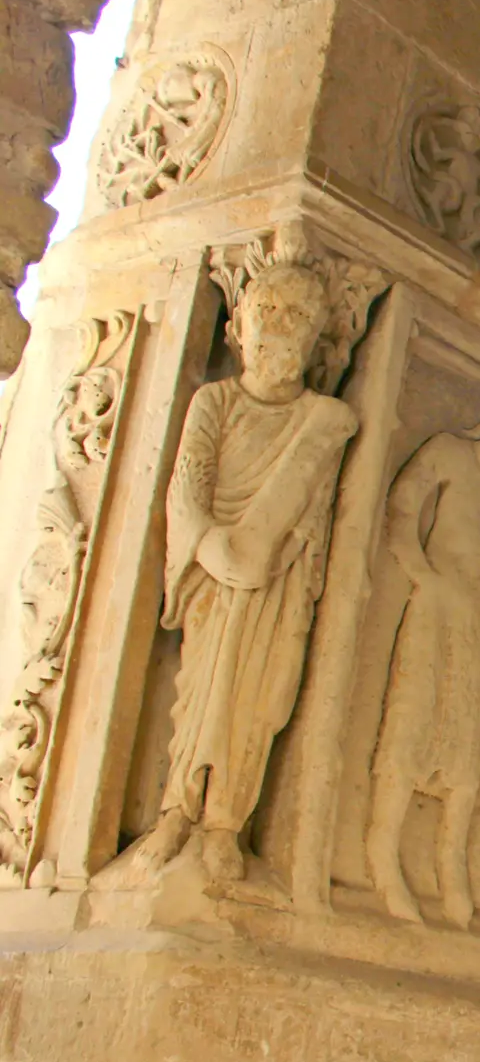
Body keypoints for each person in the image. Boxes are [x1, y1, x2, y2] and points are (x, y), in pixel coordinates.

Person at [104, 258, 357, 888]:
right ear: (236, 329)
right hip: (214, 575)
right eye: (266, 314)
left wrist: (283, 549)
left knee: (261, 697)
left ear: (315, 336)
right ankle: (176, 810)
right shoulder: (215, 401)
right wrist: (209, 546)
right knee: (202, 690)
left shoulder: (320, 420)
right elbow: (186, 488)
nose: (280, 330)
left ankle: (225, 822)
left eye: (297, 319)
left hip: (278, 579)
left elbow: (317, 511)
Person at [364, 413, 480, 927]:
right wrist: (424, 576)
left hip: (471, 627)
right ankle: (382, 851)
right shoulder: (447, 450)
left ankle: (450, 864)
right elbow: (401, 510)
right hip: (435, 604)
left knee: (466, 753)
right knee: (410, 720)